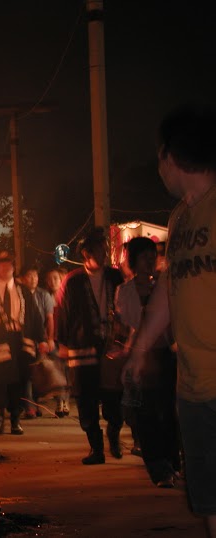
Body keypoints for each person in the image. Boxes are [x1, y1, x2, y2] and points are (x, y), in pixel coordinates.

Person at [123, 104, 216, 533]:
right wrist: (140, 348)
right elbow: (167, 290)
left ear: (172, 156)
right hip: (193, 387)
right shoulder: (180, 219)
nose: (158, 165)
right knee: (207, 498)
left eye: (159, 155)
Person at [54, 227, 124, 465]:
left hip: (111, 347)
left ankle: (114, 430)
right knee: (86, 400)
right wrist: (61, 342)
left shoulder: (115, 277)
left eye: (105, 250)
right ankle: (96, 448)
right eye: (99, 250)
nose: (104, 255)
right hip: (81, 348)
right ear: (86, 253)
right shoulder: (72, 281)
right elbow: (61, 313)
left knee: (114, 399)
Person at [115, 237, 180, 488]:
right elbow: (124, 326)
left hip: (165, 354)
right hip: (140, 357)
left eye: (153, 257)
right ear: (133, 261)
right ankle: (158, 467)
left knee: (169, 412)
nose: (150, 262)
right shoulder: (125, 291)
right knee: (146, 414)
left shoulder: (164, 287)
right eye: (145, 257)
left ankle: (173, 462)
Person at [0, 252, 47, 435]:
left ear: (13, 268)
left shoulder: (23, 292)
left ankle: (15, 420)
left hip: (20, 343)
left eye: (9, 265)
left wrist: (43, 339)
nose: (6, 268)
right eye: (1, 265)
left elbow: (36, 317)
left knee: (18, 383)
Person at [21, 267, 56, 418]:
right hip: (24, 338)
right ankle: (30, 407)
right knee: (28, 373)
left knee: (38, 372)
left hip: (39, 336)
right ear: (23, 278)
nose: (33, 279)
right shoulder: (19, 293)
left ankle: (35, 403)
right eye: (30, 276)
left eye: (35, 275)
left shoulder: (43, 295)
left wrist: (49, 338)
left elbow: (49, 318)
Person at [45, 267, 70, 416]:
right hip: (53, 340)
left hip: (65, 339)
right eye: (50, 279)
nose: (53, 281)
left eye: (56, 278)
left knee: (66, 371)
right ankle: (60, 402)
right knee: (58, 372)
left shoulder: (67, 297)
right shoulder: (45, 297)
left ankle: (65, 401)